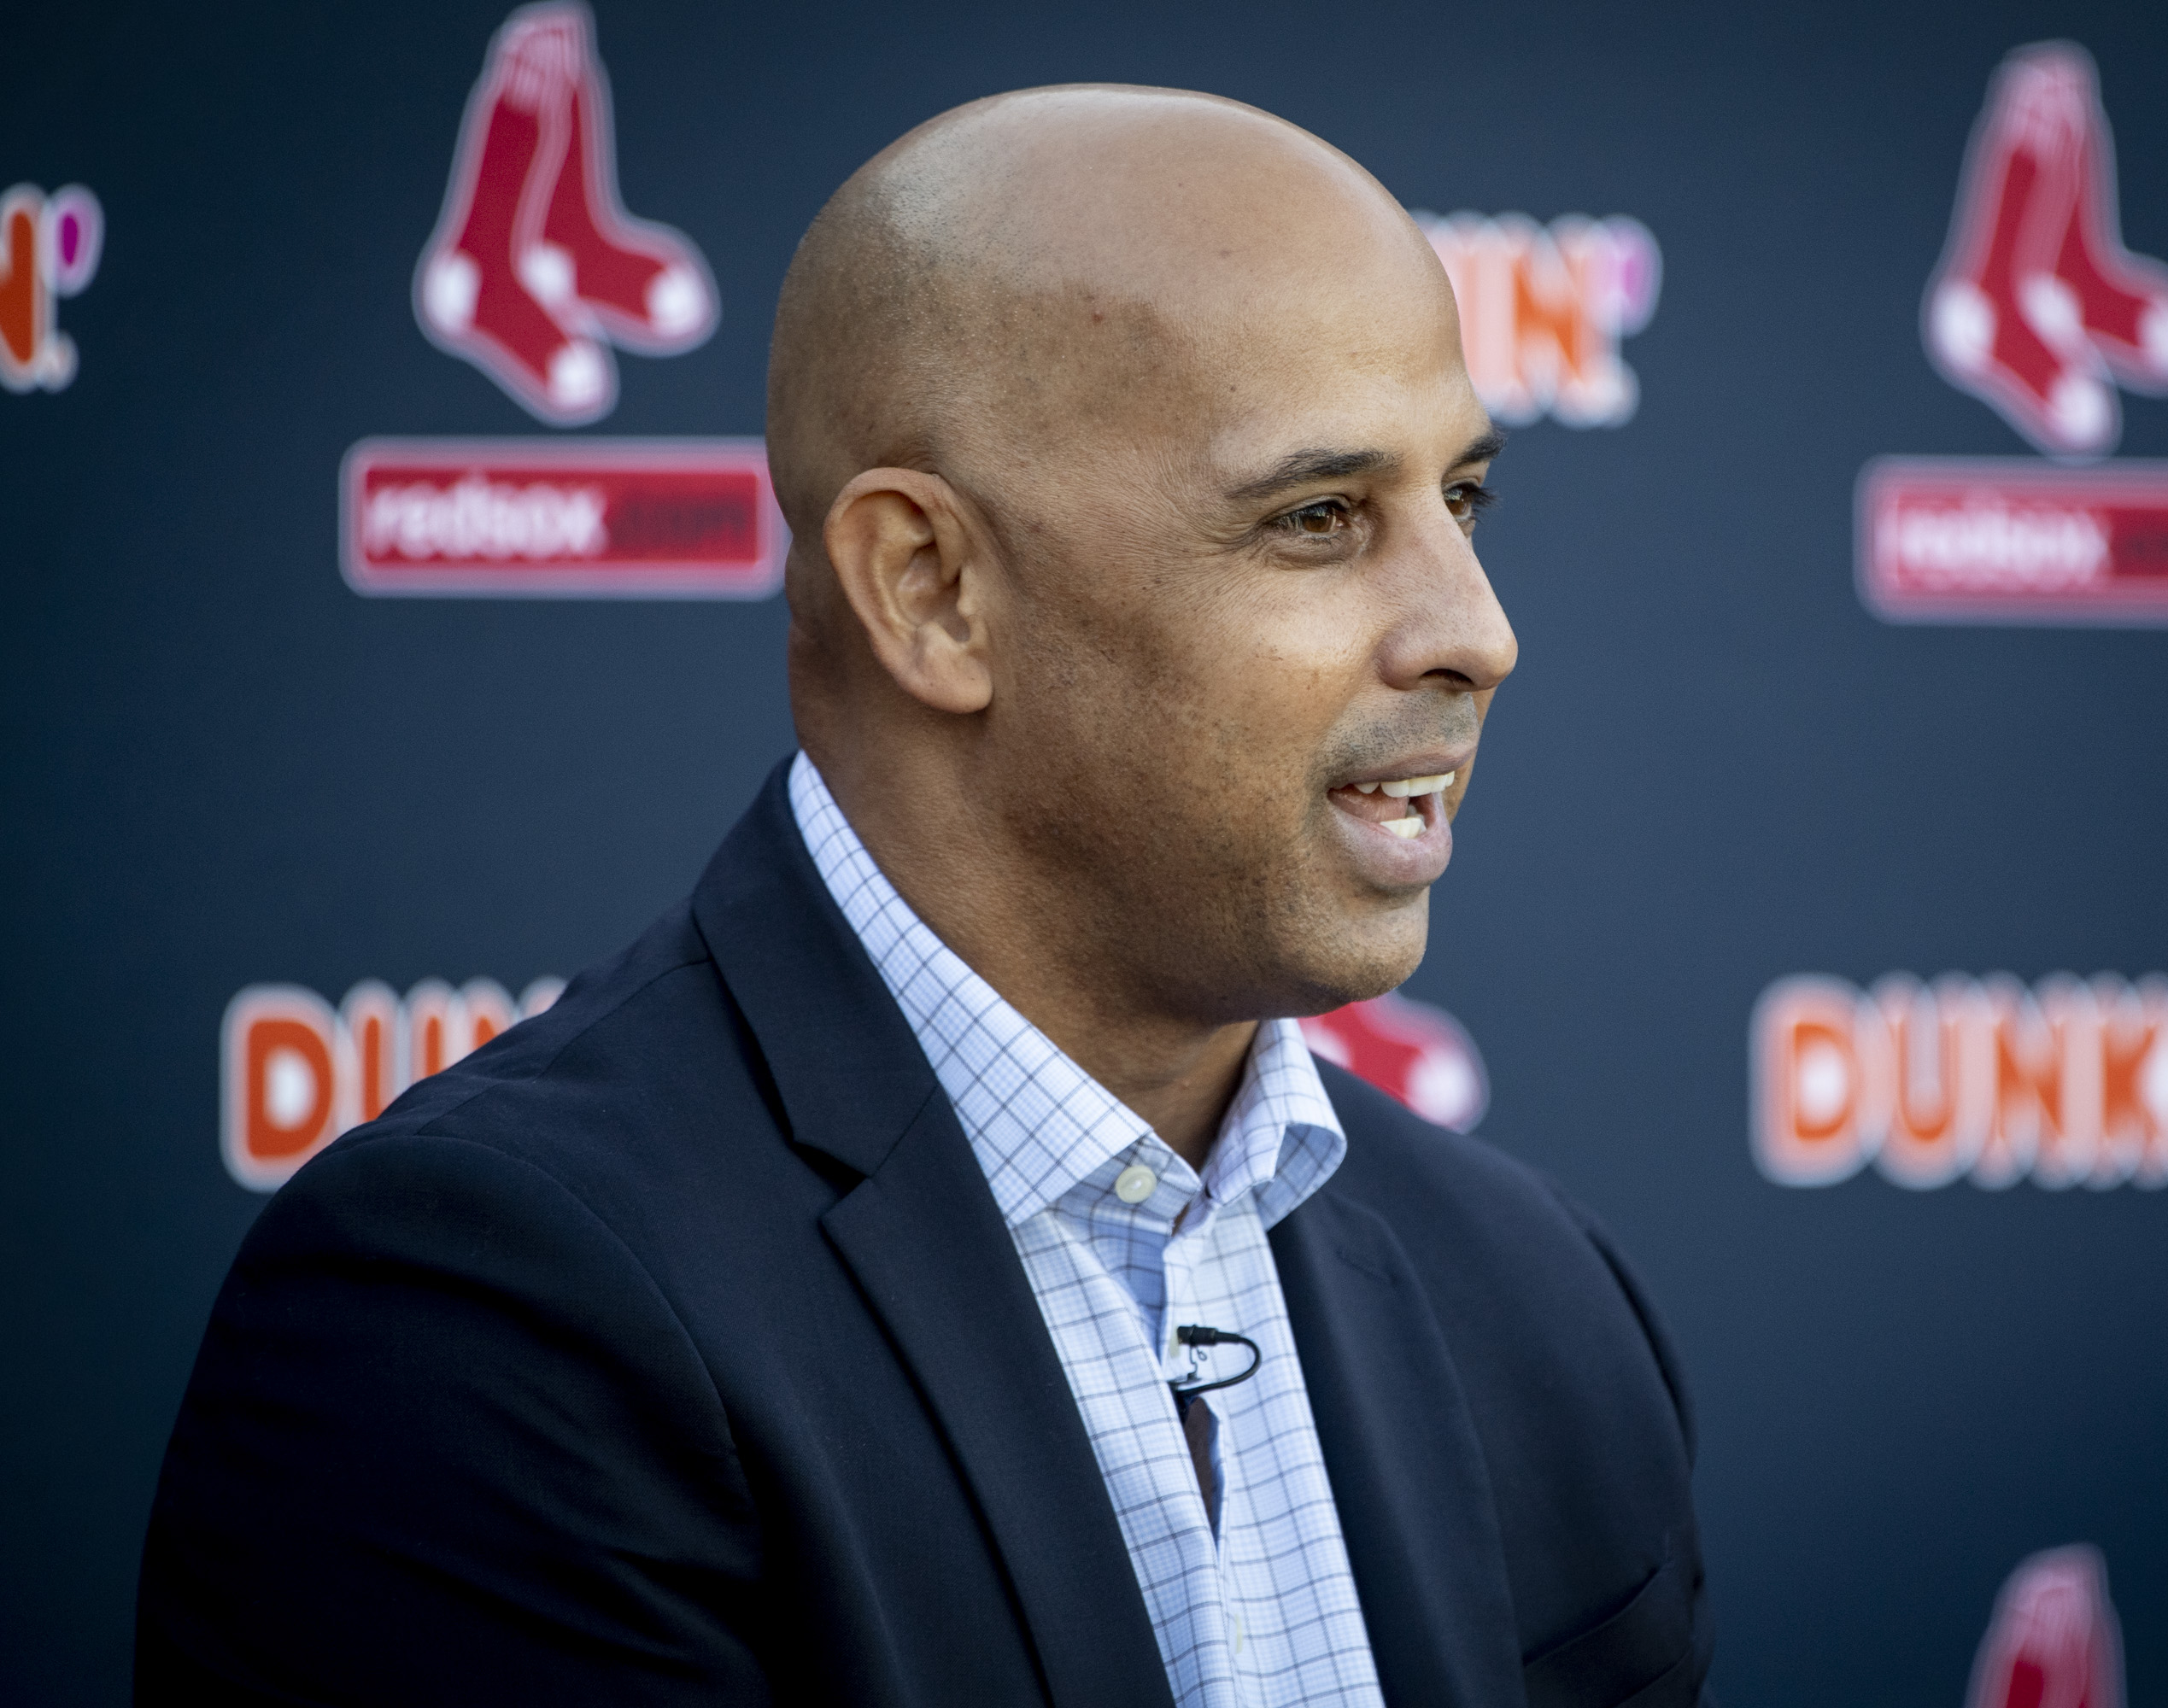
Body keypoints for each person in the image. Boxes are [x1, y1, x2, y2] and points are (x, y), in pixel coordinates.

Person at [138, 85, 1712, 1708]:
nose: (1478, 630)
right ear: (930, 591)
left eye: (1462, 500)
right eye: (1317, 519)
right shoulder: (481, 1329)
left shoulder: (1540, 1303)